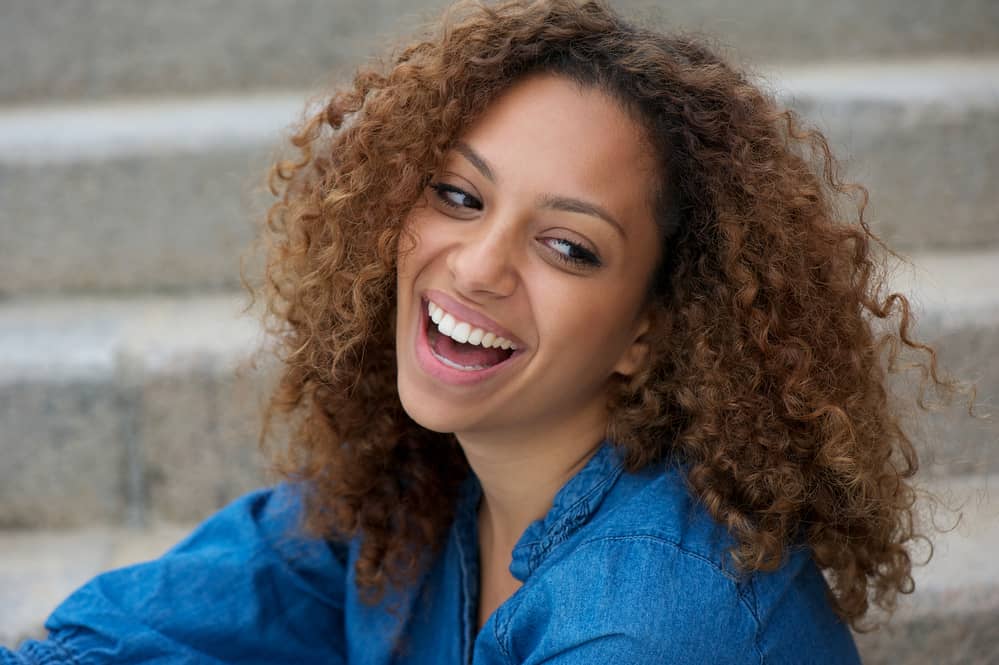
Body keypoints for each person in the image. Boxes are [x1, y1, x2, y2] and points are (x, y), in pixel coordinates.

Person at [3, 0, 959, 663]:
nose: (476, 264)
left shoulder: (656, 625)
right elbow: (136, 633)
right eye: (457, 195)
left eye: (569, 246)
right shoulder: (415, 500)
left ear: (648, 332)